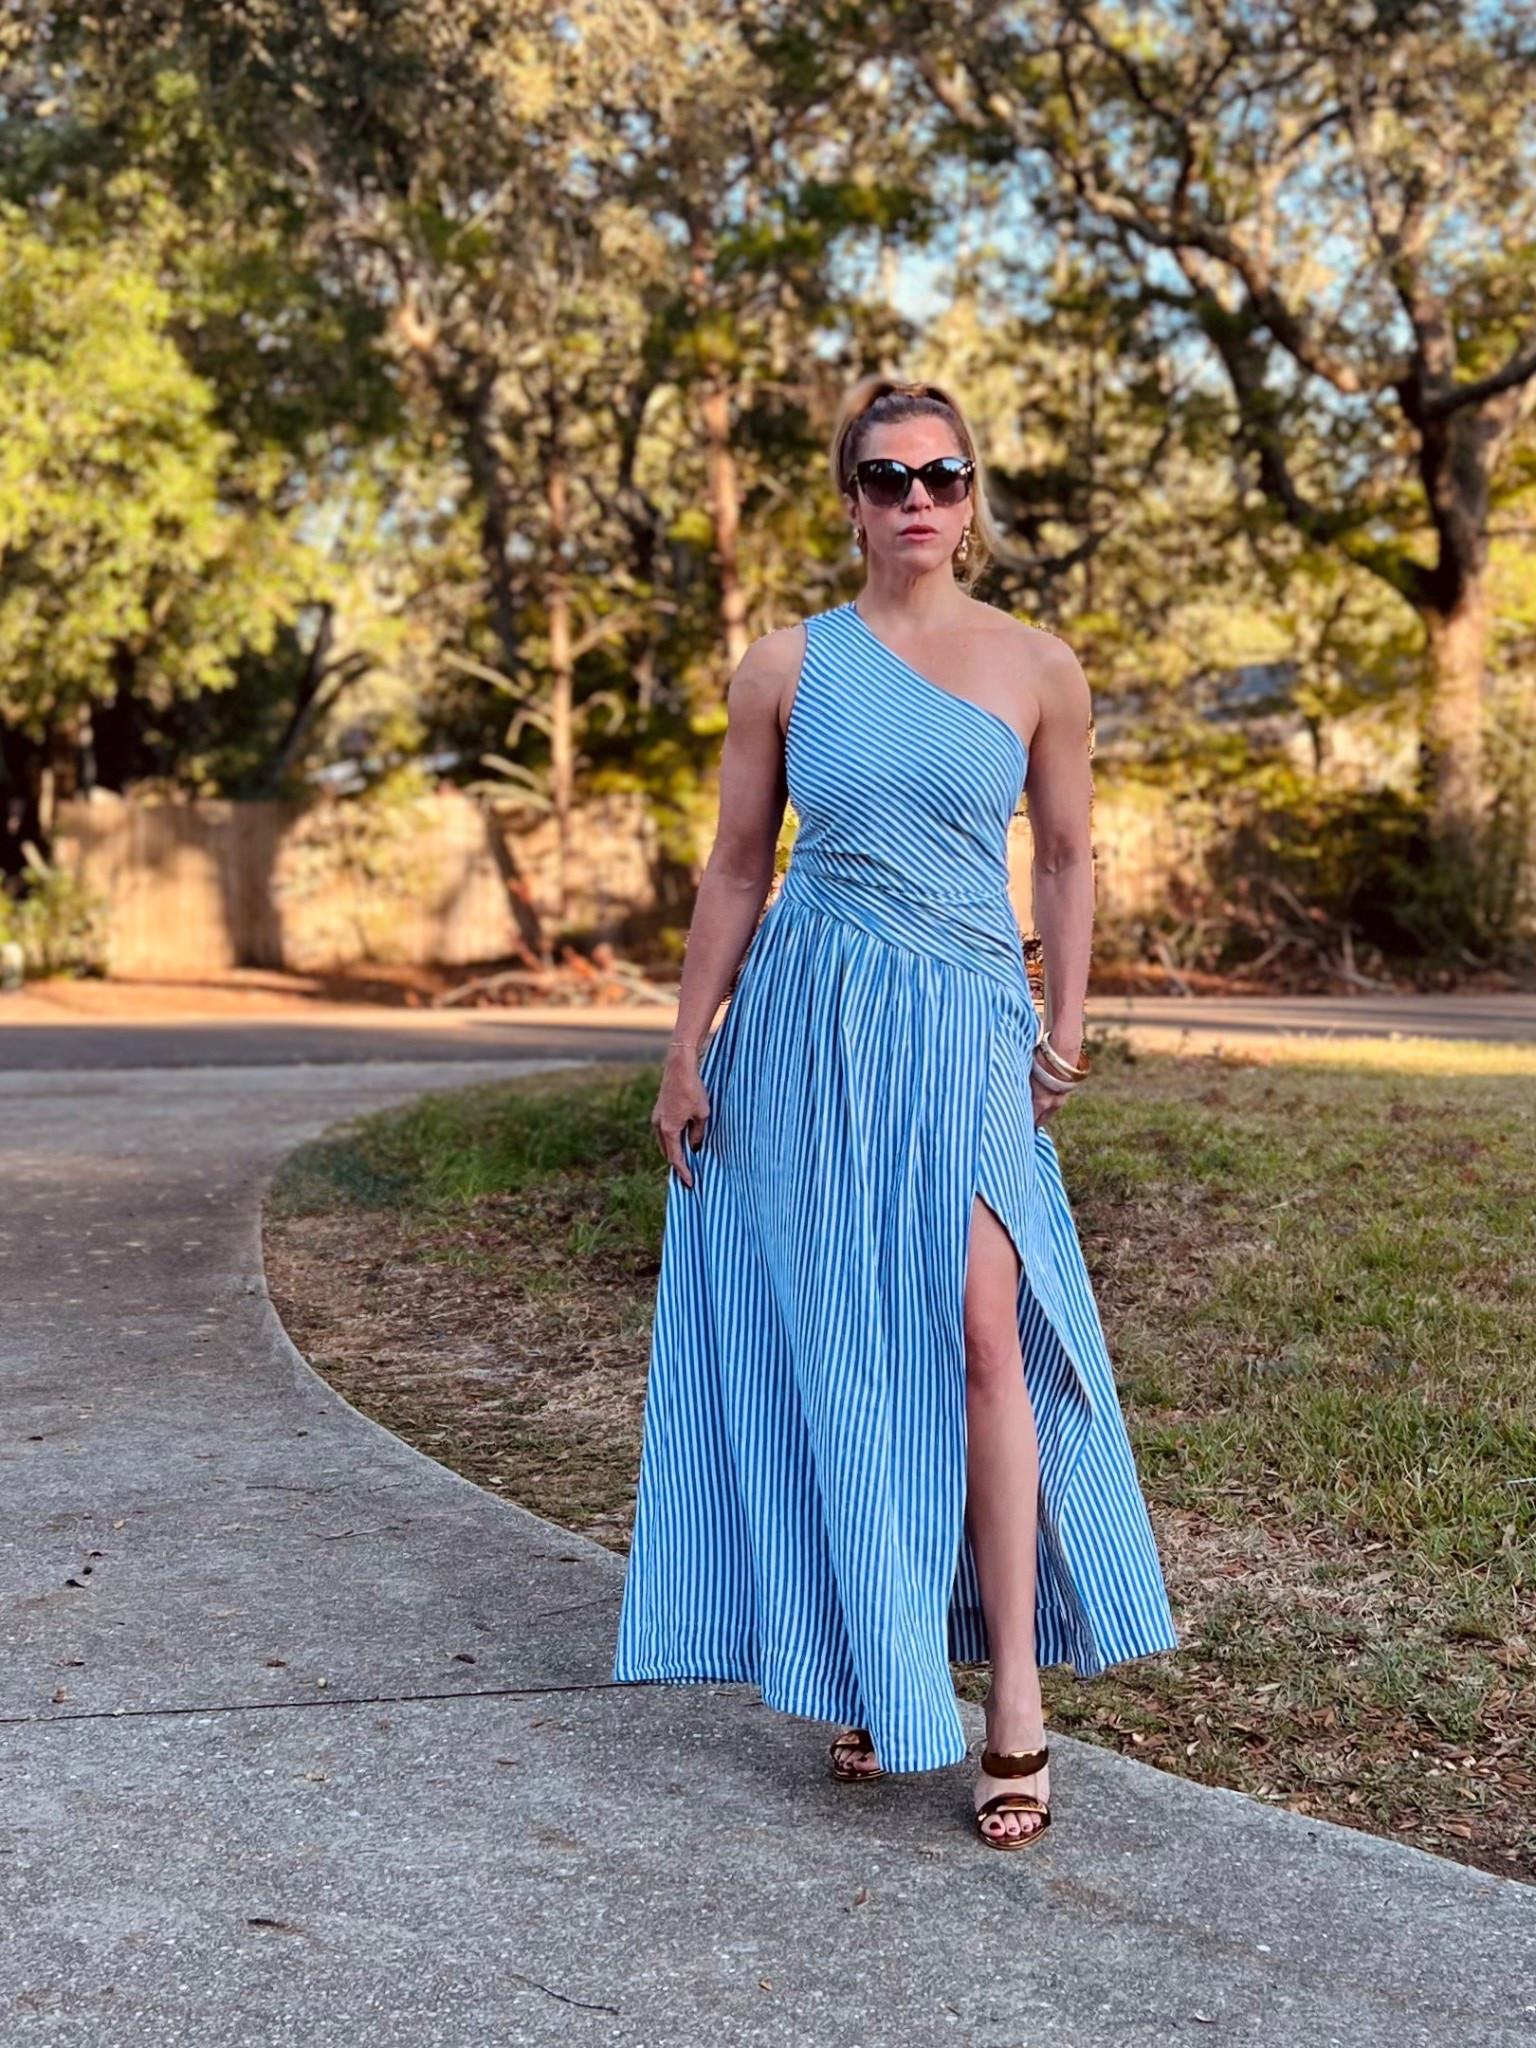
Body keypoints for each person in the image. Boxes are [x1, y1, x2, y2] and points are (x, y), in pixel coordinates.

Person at [612, 374, 1179, 1849]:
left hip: (967, 1026)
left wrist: (1064, 1024)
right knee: (851, 1348)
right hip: (808, 1026)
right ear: (850, 497)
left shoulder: (1040, 668)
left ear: (975, 492)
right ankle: (880, 1659)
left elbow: (1065, 860)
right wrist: (688, 1050)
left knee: (988, 1331)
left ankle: (1010, 1708)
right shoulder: (786, 664)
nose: (916, 497)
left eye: (943, 473)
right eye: (886, 476)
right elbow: (737, 866)